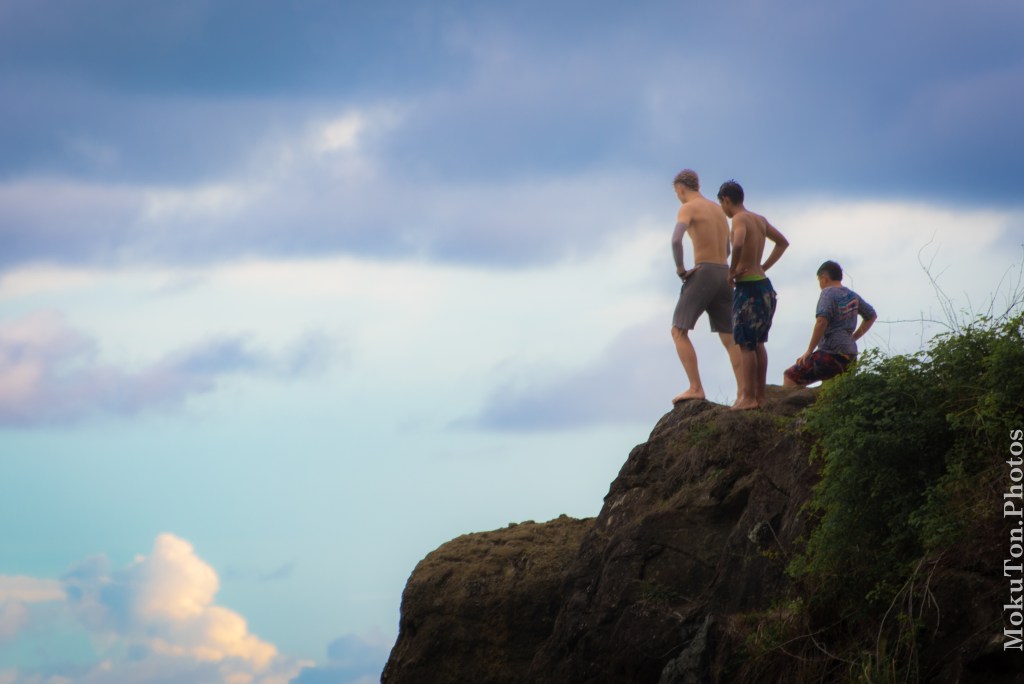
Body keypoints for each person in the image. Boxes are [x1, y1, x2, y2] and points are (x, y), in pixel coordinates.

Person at [669, 169, 741, 404]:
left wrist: (681, 269)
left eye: (677, 193)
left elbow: (676, 240)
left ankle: (696, 387)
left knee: (678, 331)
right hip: (724, 272)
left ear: (681, 189)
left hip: (704, 272)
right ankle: (744, 393)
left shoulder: (688, 208)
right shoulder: (718, 210)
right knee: (730, 337)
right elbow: (728, 249)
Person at [717, 180, 789, 410]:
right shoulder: (760, 219)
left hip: (748, 289)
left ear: (726, 200)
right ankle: (760, 397)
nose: (723, 209)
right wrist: (763, 266)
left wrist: (732, 271)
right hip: (765, 287)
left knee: (745, 344)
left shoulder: (739, 219)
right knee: (758, 343)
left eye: (722, 204)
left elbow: (738, 242)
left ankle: (748, 398)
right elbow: (782, 243)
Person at [783, 260, 877, 387]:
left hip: (831, 354)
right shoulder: (853, 296)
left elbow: (821, 322)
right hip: (850, 357)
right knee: (829, 392)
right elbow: (871, 316)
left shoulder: (828, 293)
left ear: (824, 278)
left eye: (819, 280)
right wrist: (852, 338)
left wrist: (809, 351)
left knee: (790, 375)